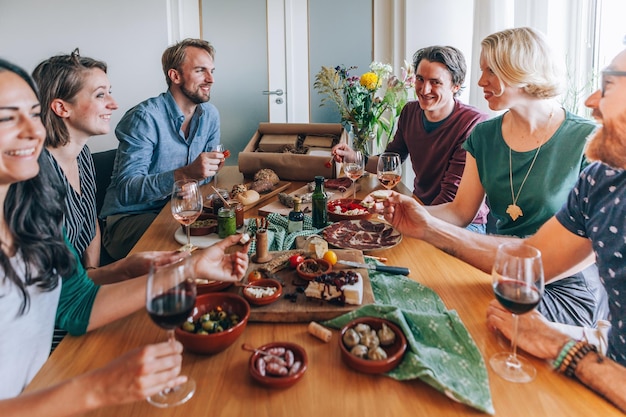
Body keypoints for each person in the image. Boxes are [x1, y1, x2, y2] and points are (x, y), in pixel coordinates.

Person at [368, 48, 626, 412]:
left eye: (609, 85)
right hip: (539, 300)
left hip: (567, 305)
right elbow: (528, 258)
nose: (591, 99)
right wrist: (425, 226)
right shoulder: (604, 179)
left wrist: (568, 348)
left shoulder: (584, 146)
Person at [0, 58, 250, 413]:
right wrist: (98, 388)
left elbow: (74, 302)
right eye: (8, 117)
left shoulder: (29, 209)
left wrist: (187, 269)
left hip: (56, 379)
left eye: (33, 112)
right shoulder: (42, 190)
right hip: (60, 377)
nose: (35, 130)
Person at [376, 27, 607, 328]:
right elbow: (459, 212)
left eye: (491, 71)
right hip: (499, 268)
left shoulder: (587, 140)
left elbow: (591, 246)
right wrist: (410, 213)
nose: (480, 81)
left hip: (565, 284)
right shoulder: (483, 136)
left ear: (522, 72)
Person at [332, 45, 490, 232]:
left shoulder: (473, 124)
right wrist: (355, 158)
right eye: (420, 79)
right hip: (420, 206)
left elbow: (450, 202)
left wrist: (402, 212)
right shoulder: (410, 111)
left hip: (461, 223)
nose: (424, 89)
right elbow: (389, 162)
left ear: (456, 85)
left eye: (435, 82)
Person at [100, 38, 225, 260]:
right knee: (194, 248)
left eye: (212, 71)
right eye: (200, 71)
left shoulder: (210, 115)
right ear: (175, 76)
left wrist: (207, 170)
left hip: (176, 212)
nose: (211, 79)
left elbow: (203, 178)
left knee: (227, 227)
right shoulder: (144, 118)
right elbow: (126, 190)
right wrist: (187, 173)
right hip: (131, 218)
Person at [32, 49, 117, 270]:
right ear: (61, 107)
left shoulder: (83, 155)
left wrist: (92, 276)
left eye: (109, 92)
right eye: (100, 95)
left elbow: (91, 226)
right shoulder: (34, 174)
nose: (113, 103)